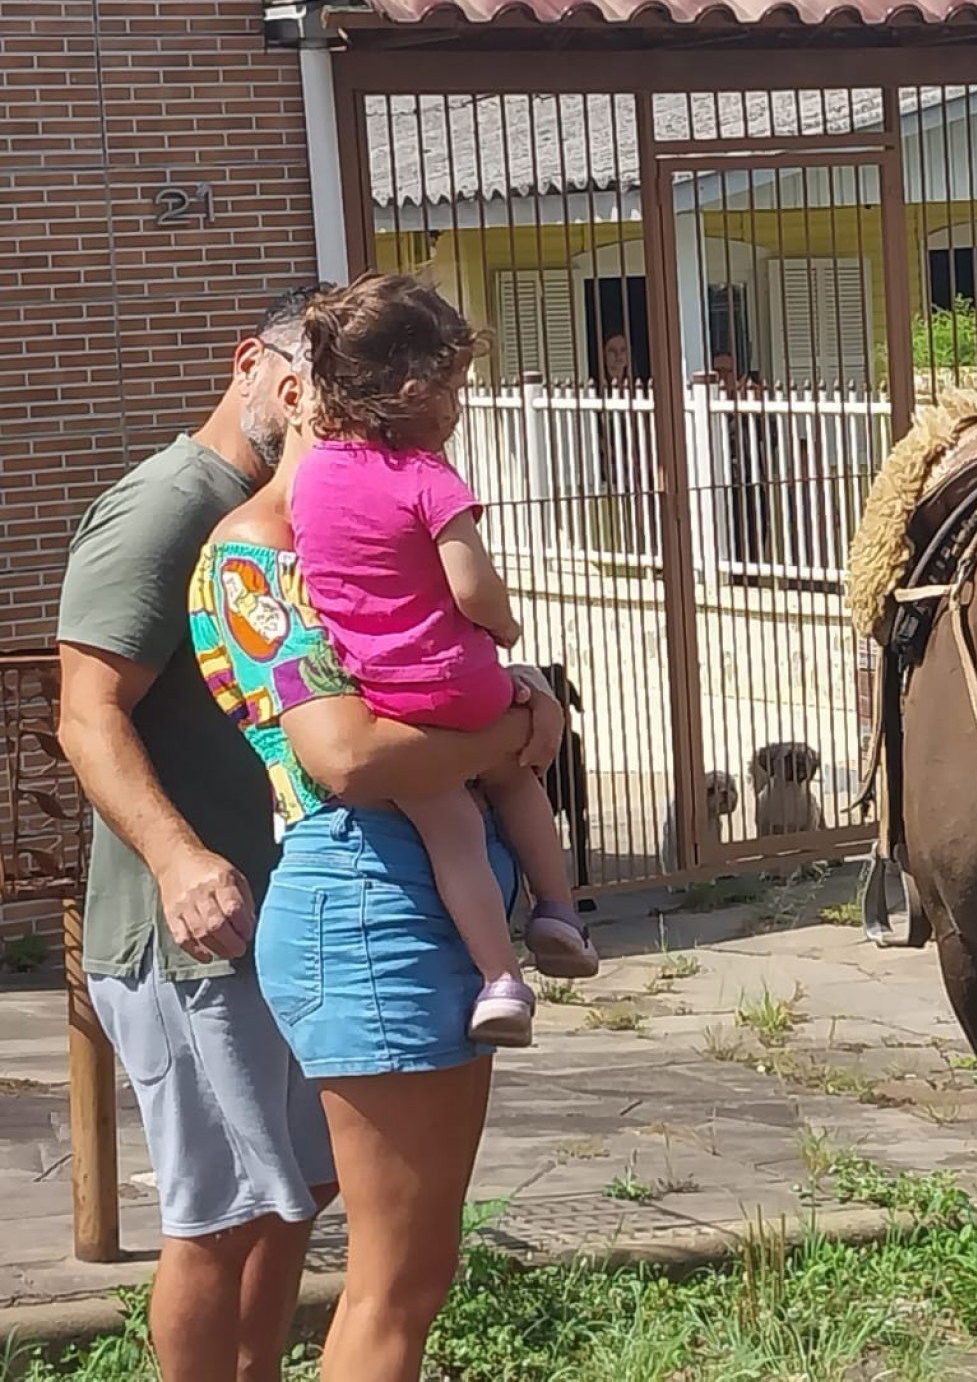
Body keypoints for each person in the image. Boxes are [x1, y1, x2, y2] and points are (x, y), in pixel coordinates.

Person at [191, 339, 565, 1382]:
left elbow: (444, 671)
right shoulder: (257, 559)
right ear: (308, 391)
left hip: (416, 905)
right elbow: (345, 756)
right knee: (394, 1280)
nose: (425, 417)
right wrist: (510, 735)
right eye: (406, 392)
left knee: (417, 1269)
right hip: (366, 902)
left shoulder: (365, 539)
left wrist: (520, 693)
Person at [55, 288, 342, 1382]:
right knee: (217, 1213)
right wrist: (178, 858)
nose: (330, 413)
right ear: (253, 368)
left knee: (299, 1190)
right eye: (314, 385)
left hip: (275, 917)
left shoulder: (287, 512)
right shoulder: (172, 504)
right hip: (181, 936)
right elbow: (86, 713)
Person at [287, 274, 597, 1047]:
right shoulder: (428, 479)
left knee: (450, 825)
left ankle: (501, 982)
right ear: (410, 388)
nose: (457, 410)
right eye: (452, 390)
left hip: (379, 695)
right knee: (516, 774)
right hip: (459, 683)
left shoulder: (314, 476)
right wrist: (508, 627)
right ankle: (557, 910)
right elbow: (471, 587)